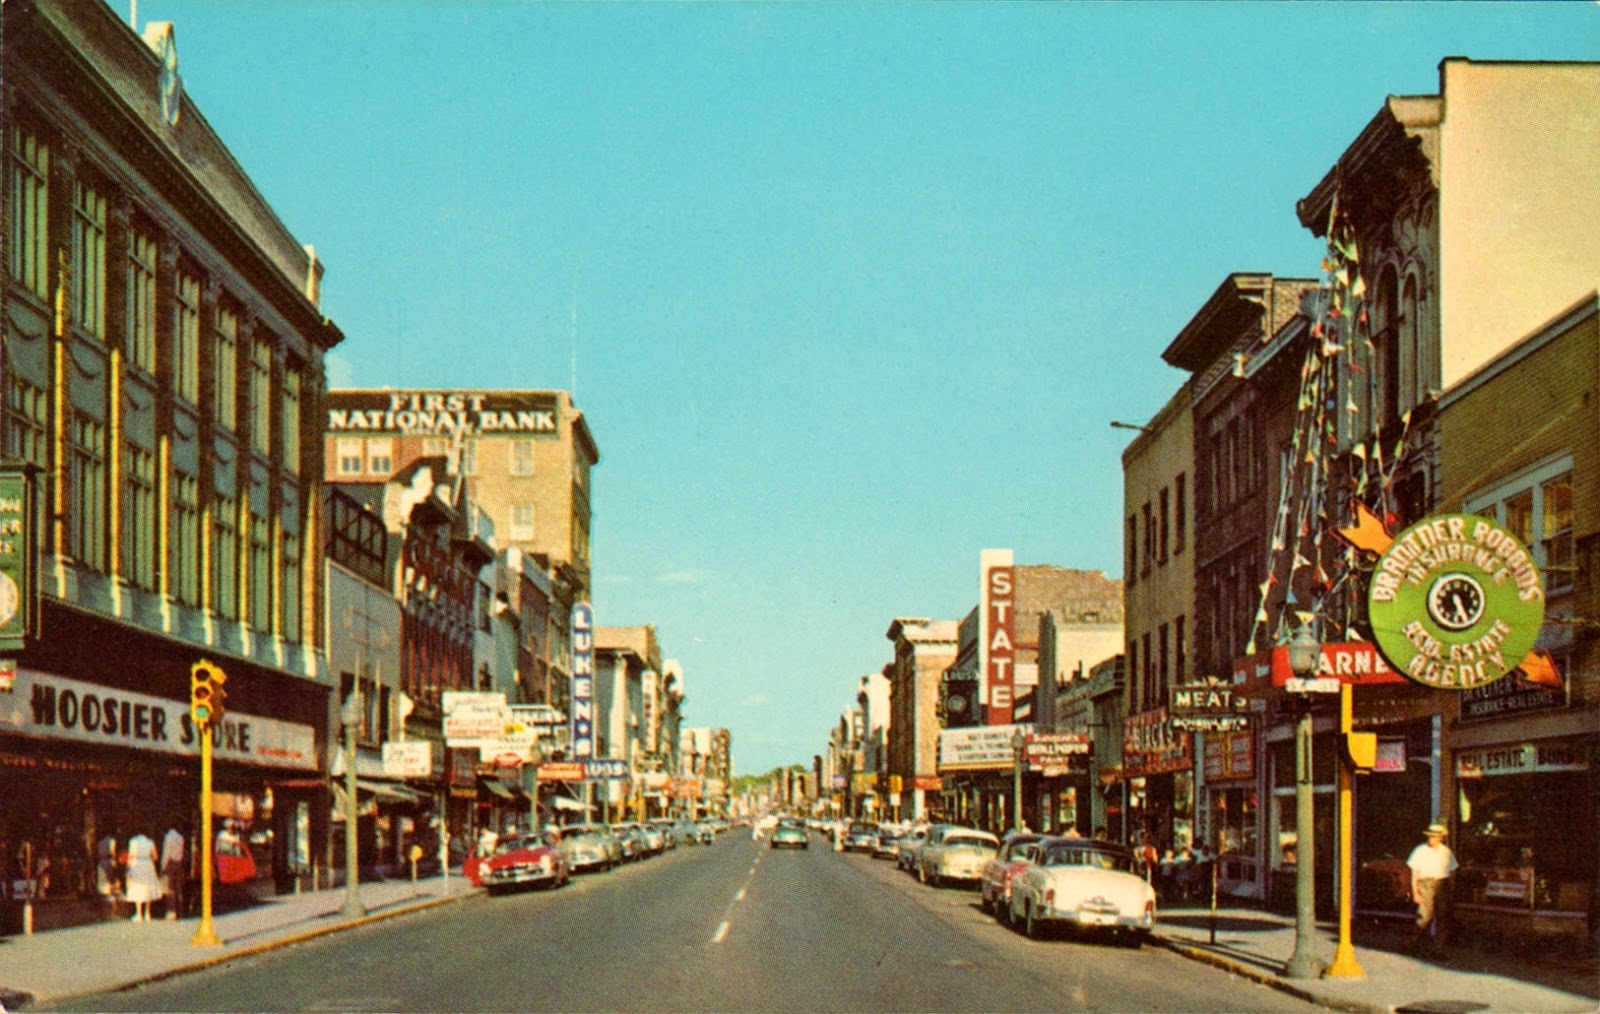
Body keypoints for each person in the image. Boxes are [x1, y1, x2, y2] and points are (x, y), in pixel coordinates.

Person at [1406, 821, 1458, 949]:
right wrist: (1415, 892)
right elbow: (1414, 873)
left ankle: (1437, 947)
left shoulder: (1446, 852)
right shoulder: (1420, 850)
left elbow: (1451, 872)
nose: (1431, 838)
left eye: (1434, 836)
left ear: (1441, 838)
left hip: (1442, 883)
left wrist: (1451, 889)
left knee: (1442, 915)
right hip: (1426, 883)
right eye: (1429, 836)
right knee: (1425, 915)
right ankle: (1413, 942)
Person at [123, 829, 160, 922]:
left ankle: (139, 914)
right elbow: (155, 857)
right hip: (148, 864)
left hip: (137, 864)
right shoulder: (150, 842)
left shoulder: (133, 841)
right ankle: (148, 914)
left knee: (137, 888)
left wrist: (127, 867)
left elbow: (130, 855)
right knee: (148, 888)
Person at [160, 826, 186, 919]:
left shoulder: (168, 837)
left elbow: (166, 853)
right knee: (178, 888)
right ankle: (180, 910)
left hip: (170, 863)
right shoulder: (181, 837)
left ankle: (171, 912)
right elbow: (182, 853)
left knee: (170, 888)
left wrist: (163, 866)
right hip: (178, 863)